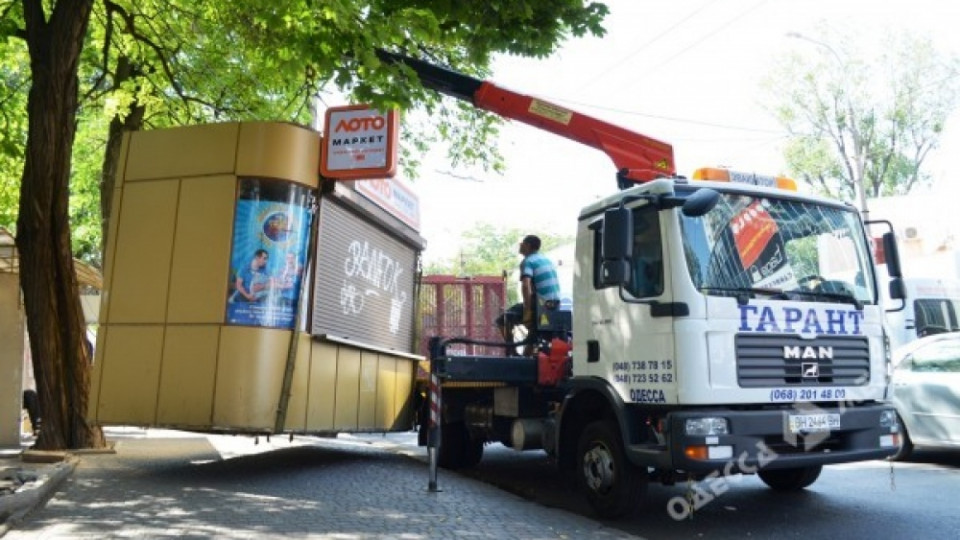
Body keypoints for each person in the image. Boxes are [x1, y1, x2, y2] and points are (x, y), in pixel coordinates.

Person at [496, 235, 561, 348]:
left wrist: (527, 311)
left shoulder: (528, 261)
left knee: (503, 320)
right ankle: (528, 355)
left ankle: (512, 352)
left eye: (522, 244)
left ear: (528, 246)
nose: (520, 246)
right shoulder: (546, 260)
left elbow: (526, 286)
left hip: (540, 304)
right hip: (554, 304)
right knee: (534, 335)